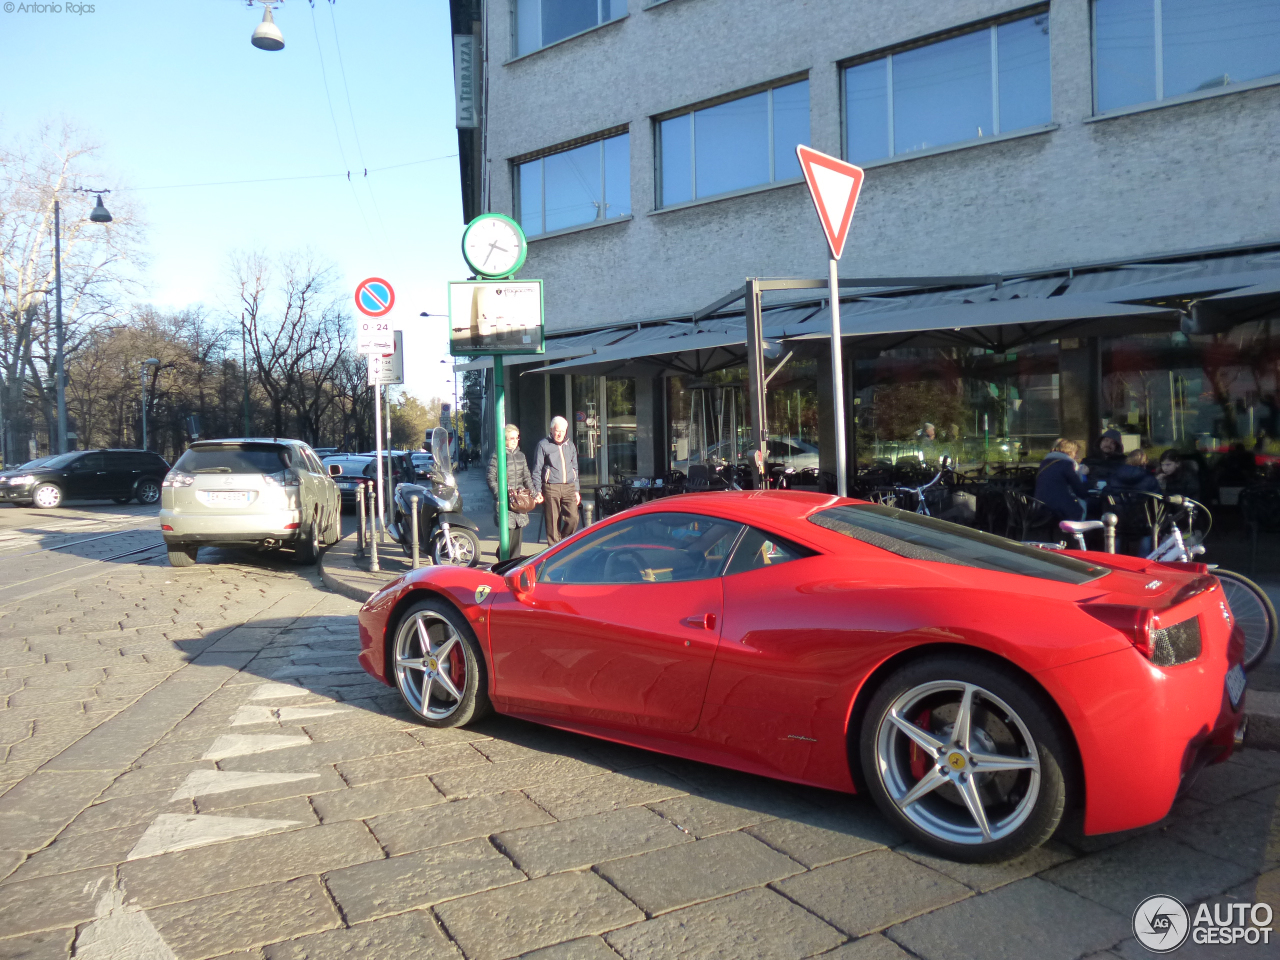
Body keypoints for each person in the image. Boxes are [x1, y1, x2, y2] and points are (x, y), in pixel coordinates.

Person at [487, 424, 535, 557]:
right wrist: (500, 495)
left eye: (517, 438)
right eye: (511, 438)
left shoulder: (521, 456)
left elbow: (526, 477)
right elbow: (491, 478)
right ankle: (503, 561)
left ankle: (513, 563)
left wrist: (534, 493)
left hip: (519, 501)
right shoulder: (497, 456)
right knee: (507, 535)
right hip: (505, 502)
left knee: (517, 535)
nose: (515, 441)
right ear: (504, 440)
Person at [532, 415, 581, 545]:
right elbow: (537, 469)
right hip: (551, 487)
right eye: (557, 430)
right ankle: (553, 549)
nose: (560, 434)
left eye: (563, 431)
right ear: (551, 429)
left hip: (569, 487)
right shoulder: (543, 445)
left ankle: (562, 544)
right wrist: (537, 490)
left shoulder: (570, 445)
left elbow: (575, 467)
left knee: (573, 518)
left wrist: (576, 489)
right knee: (553, 522)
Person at [1034, 438, 1090, 523]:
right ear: (1070, 452)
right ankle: (1081, 533)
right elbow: (1081, 492)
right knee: (1090, 506)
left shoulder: (1044, 463)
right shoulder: (1067, 465)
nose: (1077, 457)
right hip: (1058, 510)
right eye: (1076, 453)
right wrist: (1083, 475)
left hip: (1040, 508)